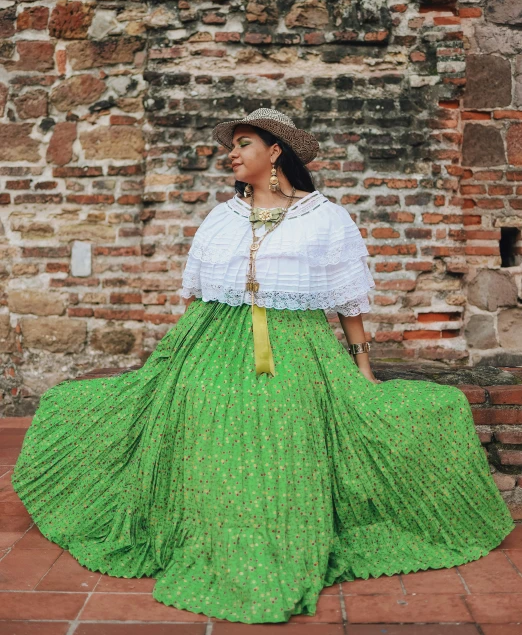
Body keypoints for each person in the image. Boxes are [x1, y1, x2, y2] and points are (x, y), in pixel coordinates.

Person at [11, 108, 515, 625]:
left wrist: (362, 367)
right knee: (168, 402)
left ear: (275, 152)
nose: (231, 153)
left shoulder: (324, 216)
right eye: (231, 144)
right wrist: (175, 360)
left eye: (243, 142)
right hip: (212, 340)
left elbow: (349, 301)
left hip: (297, 345)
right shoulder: (220, 216)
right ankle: (207, 524)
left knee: (288, 414)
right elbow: (199, 298)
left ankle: (275, 531)